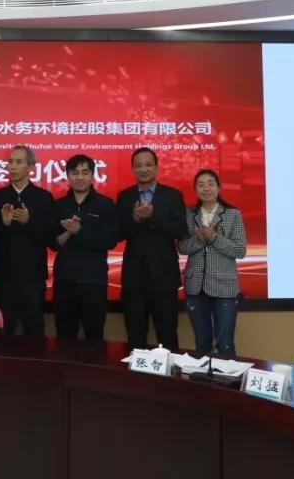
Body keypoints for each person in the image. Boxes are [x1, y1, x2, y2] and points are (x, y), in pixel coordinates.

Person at [115, 147, 187, 350]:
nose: (143, 169)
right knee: (135, 336)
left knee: (167, 335)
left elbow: (181, 230)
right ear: (132, 169)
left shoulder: (172, 196)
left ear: (156, 167)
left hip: (164, 278)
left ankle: (169, 372)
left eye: (148, 164)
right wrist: (135, 218)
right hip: (133, 279)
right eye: (138, 165)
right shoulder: (125, 197)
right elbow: (117, 233)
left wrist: (153, 217)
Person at [0, 145, 55, 337]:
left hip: (33, 277)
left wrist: (28, 222)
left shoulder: (44, 198)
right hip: (4, 277)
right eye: (10, 162)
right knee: (3, 330)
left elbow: (50, 238)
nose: (13, 166)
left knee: (34, 328)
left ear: (31, 167)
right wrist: (3, 225)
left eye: (18, 162)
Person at [179, 169, 246, 357]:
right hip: (195, 286)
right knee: (202, 344)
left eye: (210, 184)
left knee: (225, 344)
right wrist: (200, 239)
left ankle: (228, 376)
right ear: (195, 189)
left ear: (218, 187)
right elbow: (182, 247)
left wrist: (214, 237)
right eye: (201, 185)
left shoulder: (232, 214)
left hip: (224, 286)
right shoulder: (189, 214)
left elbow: (240, 250)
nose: (206, 188)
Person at [51, 154, 117, 340]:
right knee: (64, 336)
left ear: (92, 175)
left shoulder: (105, 205)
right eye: (75, 173)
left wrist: (80, 231)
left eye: (85, 172)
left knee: (94, 335)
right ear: (67, 176)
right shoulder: (59, 206)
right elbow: (53, 243)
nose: (80, 177)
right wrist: (68, 233)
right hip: (65, 281)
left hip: (94, 281)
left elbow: (110, 241)